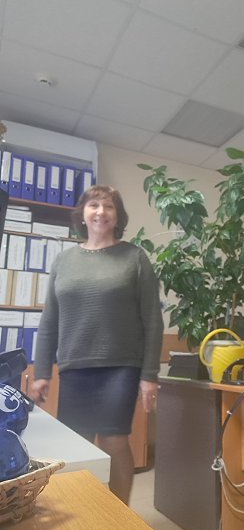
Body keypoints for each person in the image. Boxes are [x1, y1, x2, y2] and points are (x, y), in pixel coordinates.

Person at [30, 185, 163, 504]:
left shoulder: (134, 257)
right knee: (78, 443)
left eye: (109, 206)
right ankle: (86, 513)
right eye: (94, 205)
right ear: (83, 214)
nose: (101, 211)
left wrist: (149, 376)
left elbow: (152, 320)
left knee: (114, 440)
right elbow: (50, 320)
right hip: (75, 367)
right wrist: (42, 372)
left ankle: (120, 515)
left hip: (121, 366)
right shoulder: (64, 261)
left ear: (118, 216)